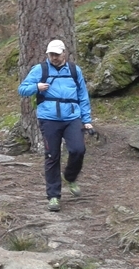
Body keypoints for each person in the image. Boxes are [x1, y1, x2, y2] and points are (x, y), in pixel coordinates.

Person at [18, 39, 93, 212]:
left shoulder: (74, 70)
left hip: (72, 117)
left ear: (64, 53)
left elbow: (83, 95)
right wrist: (36, 87)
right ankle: (53, 196)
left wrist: (87, 120)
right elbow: (22, 89)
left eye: (57, 55)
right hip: (49, 118)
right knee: (52, 156)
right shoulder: (40, 70)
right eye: (51, 54)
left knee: (78, 149)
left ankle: (70, 176)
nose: (54, 58)